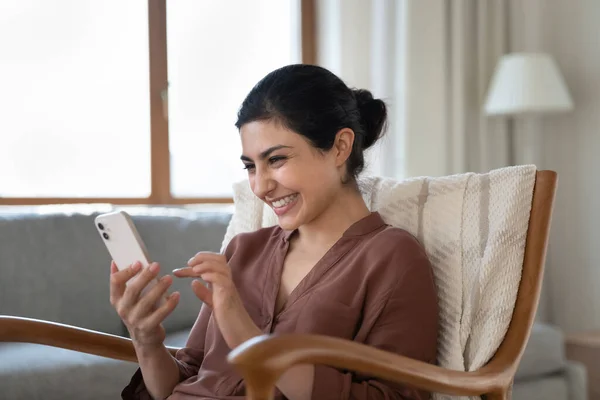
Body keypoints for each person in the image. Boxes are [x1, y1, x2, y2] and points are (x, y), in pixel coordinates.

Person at [113, 64, 439, 400]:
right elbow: (187, 379)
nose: (260, 186)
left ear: (340, 147)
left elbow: (397, 396)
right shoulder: (243, 251)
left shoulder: (392, 258)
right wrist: (147, 340)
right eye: (251, 166)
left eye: (277, 160)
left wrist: (244, 332)